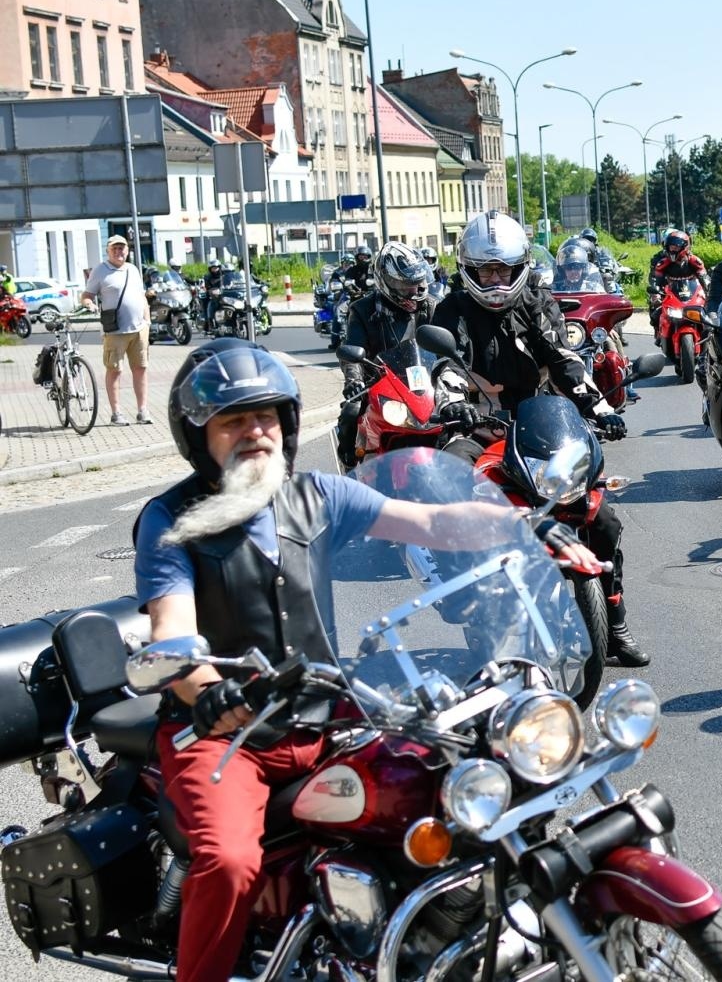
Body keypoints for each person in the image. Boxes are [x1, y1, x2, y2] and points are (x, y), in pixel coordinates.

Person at [133, 338, 601, 982]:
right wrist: (206, 687)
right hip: (224, 732)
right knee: (230, 860)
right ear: (200, 435)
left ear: (289, 425)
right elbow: (172, 634)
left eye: (266, 416)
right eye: (234, 421)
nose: (255, 432)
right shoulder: (169, 519)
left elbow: (433, 522)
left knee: (451, 774)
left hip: (325, 709)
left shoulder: (316, 497)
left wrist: (526, 527)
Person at [428, 212, 647, 667]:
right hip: (477, 422)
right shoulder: (451, 309)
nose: (495, 279)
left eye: (503, 269)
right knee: (450, 481)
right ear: (468, 268)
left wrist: (599, 406)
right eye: (486, 269)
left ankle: (616, 623)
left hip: (538, 418)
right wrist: (453, 403)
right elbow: (445, 365)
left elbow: (561, 356)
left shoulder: (535, 299)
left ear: (518, 267)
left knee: (599, 516)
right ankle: (464, 596)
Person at [335, 242, 440, 469]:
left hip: (428, 385)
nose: (414, 290)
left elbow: (449, 345)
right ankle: (351, 469)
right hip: (380, 385)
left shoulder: (431, 307)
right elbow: (351, 348)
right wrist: (354, 381)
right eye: (405, 285)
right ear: (385, 281)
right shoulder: (363, 310)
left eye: (417, 282)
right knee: (351, 411)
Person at [83, 235, 152, 425]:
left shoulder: (133, 269)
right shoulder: (100, 271)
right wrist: (89, 304)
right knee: (114, 371)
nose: (118, 251)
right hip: (114, 331)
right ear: (108, 251)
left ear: (127, 251)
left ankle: (142, 410)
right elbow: (87, 294)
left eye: (121, 248)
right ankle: (116, 413)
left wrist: (147, 321)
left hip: (139, 329)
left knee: (141, 369)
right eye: (114, 248)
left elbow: (142, 296)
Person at [647, 229, 707, 339]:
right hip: (671, 293)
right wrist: (656, 293)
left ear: (685, 247)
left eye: (676, 247)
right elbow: (656, 279)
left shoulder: (695, 261)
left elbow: (704, 277)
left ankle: (709, 338)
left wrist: (709, 290)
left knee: (709, 315)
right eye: (671, 246)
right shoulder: (662, 262)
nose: (673, 249)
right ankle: (659, 334)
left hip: (692, 294)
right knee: (656, 314)